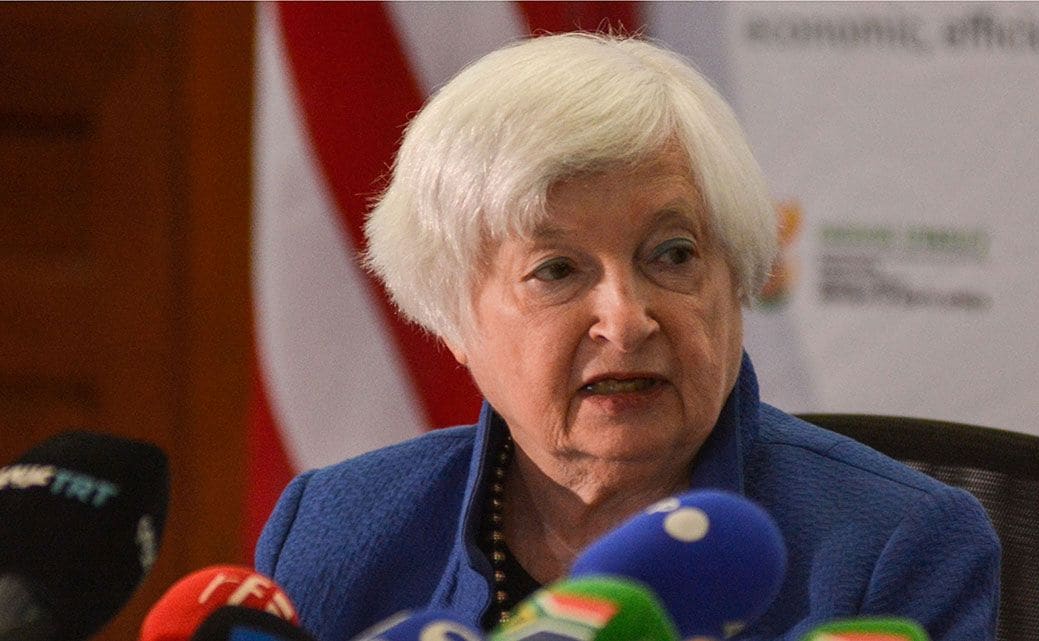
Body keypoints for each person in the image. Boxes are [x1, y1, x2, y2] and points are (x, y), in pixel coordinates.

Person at [255, 32, 1000, 641]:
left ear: (736, 279)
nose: (625, 318)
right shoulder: (335, 527)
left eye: (671, 255)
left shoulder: (893, 545)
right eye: (556, 270)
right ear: (454, 319)